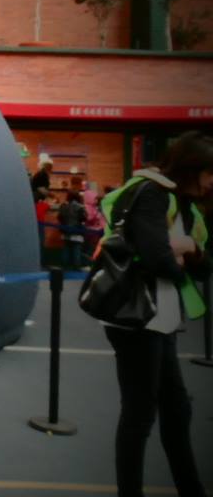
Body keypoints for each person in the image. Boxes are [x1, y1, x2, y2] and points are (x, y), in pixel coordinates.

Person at [100, 131, 212, 497]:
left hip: (159, 318)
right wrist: (181, 255)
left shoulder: (181, 204)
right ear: (193, 169)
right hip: (136, 318)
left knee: (176, 409)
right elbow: (157, 258)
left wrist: (188, 248)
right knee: (139, 414)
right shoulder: (152, 193)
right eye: (209, 173)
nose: (212, 182)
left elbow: (199, 265)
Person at [57, 190, 87, 270]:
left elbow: (59, 217)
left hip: (66, 230)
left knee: (66, 249)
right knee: (76, 250)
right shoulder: (80, 206)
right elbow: (84, 218)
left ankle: (64, 266)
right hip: (77, 231)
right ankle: (77, 267)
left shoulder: (63, 205)